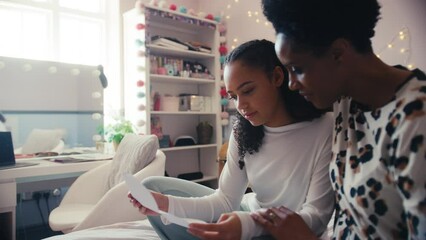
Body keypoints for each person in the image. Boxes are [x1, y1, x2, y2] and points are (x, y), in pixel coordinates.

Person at [253, 0, 426, 239]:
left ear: (338, 53)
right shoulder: (346, 103)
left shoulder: (416, 119)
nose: (291, 84)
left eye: (298, 69)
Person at [129, 39, 335, 240]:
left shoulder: (325, 127)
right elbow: (226, 201)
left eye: (247, 91)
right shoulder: (243, 130)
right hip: (246, 212)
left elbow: (317, 216)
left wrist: (248, 225)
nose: (241, 106)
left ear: (277, 77)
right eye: (234, 96)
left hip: (281, 232)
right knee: (151, 188)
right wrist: (166, 204)